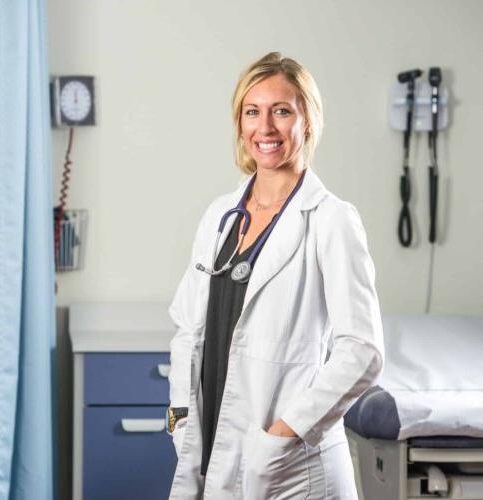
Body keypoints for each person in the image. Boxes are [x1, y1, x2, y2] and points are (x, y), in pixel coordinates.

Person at [166, 51, 384, 499]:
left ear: (308, 121)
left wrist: (286, 433)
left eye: (281, 111)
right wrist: (182, 414)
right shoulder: (220, 217)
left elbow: (362, 350)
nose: (264, 128)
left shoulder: (330, 220)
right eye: (252, 111)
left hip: (289, 467)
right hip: (211, 448)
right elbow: (188, 327)